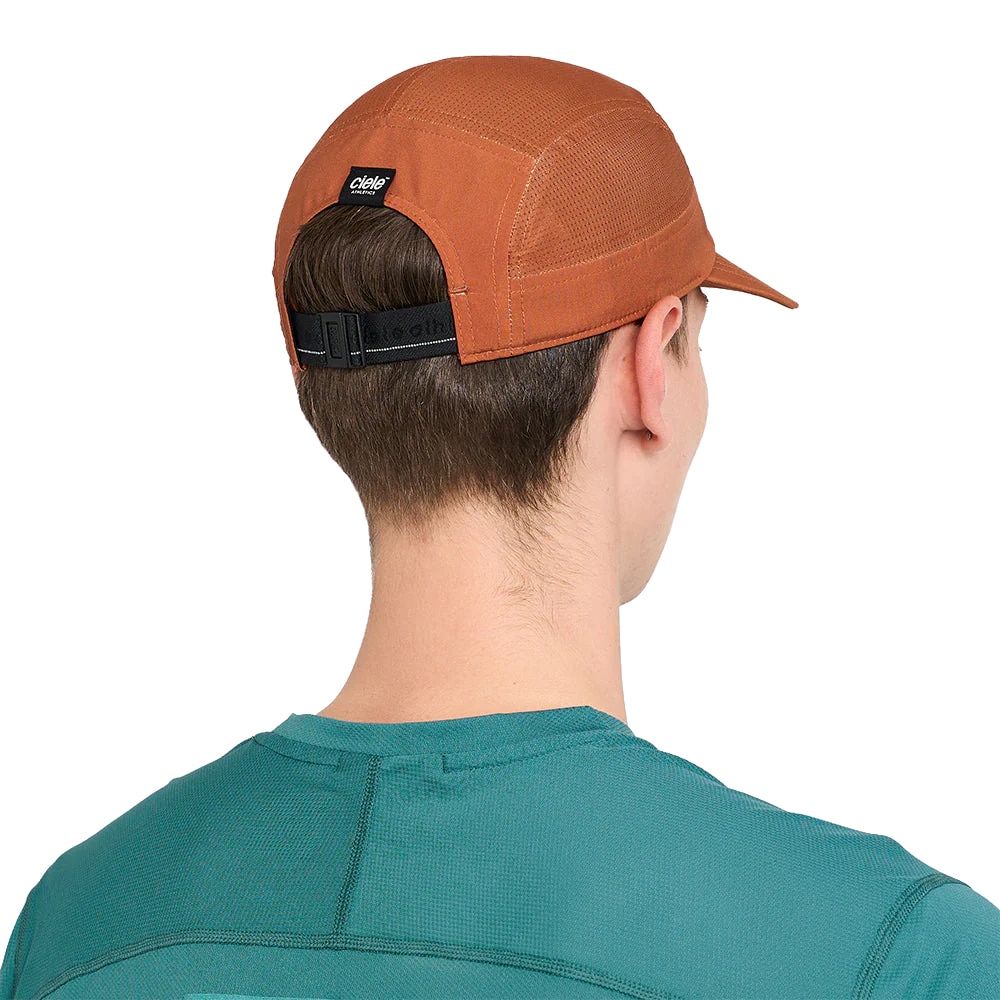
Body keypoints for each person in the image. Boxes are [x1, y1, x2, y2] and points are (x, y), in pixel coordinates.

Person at [2, 54, 997, 1000]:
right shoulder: (887, 955)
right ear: (650, 368)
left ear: (310, 375)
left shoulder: (76, 929)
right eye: (697, 342)